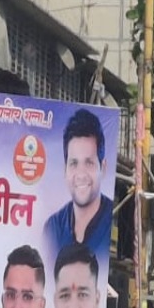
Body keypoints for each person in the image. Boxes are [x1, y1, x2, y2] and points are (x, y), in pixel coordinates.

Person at [42, 109, 113, 269]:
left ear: (103, 168)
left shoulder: (113, 221)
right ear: (64, 170)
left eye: (89, 163)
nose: (80, 174)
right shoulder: (52, 229)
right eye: (74, 163)